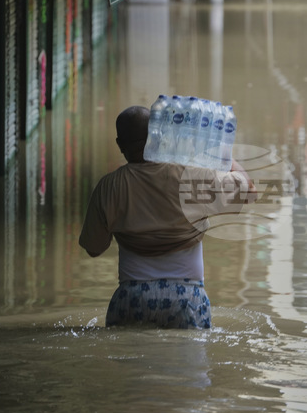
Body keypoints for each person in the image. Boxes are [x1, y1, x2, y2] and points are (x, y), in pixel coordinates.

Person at [79, 105, 255, 329]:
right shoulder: (191, 177)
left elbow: (94, 249)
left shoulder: (109, 187)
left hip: (131, 299)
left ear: (119, 144)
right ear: (158, 135)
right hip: (187, 299)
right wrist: (220, 154)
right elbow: (248, 191)